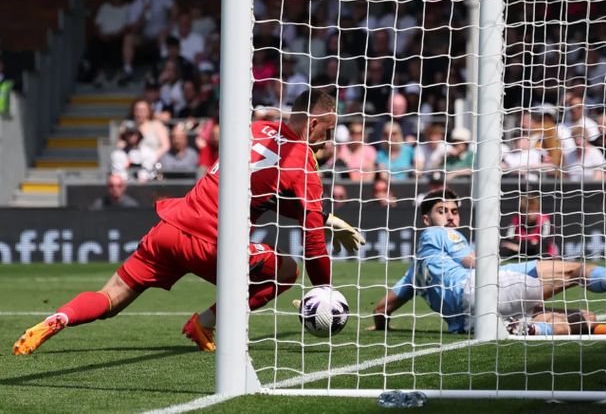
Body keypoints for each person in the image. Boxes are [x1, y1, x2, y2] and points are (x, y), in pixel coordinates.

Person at [13, 90, 365, 355]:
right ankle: (204, 323)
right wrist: (324, 291)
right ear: (314, 123)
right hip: (212, 243)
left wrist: (326, 216)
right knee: (288, 270)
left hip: (169, 228)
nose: (327, 141)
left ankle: (58, 319)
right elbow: (313, 239)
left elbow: (260, 192)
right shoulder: (300, 160)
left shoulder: (256, 127)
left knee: (109, 299)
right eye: (328, 132)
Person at [370, 188, 606, 336]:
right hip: (479, 287)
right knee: (575, 270)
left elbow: (381, 309)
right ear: (427, 219)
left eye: (454, 211)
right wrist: (487, 256)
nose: (450, 216)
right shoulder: (437, 234)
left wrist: (381, 327)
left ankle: (528, 329)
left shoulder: (414, 270)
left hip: (469, 322)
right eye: (442, 211)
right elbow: (470, 261)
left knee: (580, 317)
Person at [500, 191, 559, 260]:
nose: (530, 214)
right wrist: (524, 245)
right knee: (503, 248)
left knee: (540, 250)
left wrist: (522, 247)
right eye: (527, 210)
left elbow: (545, 241)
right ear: (522, 211)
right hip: (519, 248)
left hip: (537, 249)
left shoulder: (545, 220)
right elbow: (509, 238)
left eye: (533, 210)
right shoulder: (516, 220)